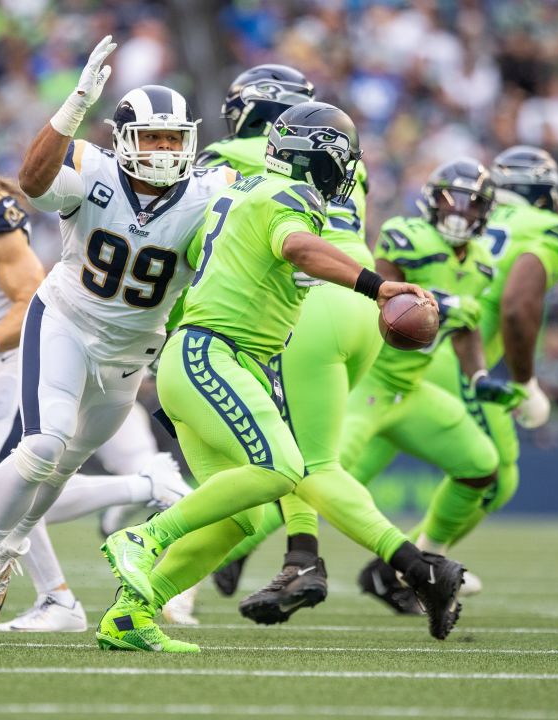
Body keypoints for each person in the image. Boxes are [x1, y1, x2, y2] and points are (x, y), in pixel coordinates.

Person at [97, 101, 465, 653]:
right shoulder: (290, 197)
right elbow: (294, 245)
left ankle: (130, 614)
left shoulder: (242, 192)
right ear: (322, 160)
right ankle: (144, 538)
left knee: (240, 520)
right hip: (214, 354)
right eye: (344, 160)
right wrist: (377, 286)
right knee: (283, 469)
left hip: (207, 358)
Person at [0, 36, 237, 629]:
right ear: (123, 141)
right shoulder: (92, 170)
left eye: (174, 138)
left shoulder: (207, 195)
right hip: (65, 322)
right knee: (41, 446)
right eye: (152, 138)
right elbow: (34, 182)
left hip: (130, 354)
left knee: (61, 468)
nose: (164, 150)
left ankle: (9, 551)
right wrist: (72, 108)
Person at [0, 109, 192, 632]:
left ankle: (66, 574)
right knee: (28, 468)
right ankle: (54, 585)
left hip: (25, 345)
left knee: (1, 469)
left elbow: (28, 299)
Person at [357, 147, 558, 612]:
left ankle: (408, 564)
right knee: (495, 474)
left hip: (433, 351)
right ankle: (419, 565)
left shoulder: (478, 241)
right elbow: (518, 306)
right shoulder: (546, 228)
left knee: (348, 468)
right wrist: (526, 380)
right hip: (442, 354)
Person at [195, 63, 372, 622]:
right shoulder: (345, 164)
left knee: (284, 457)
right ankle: (289, 553)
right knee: (303, 452)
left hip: (291, 306)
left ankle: (301, 556)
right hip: (361, 301)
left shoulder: (230, 160)